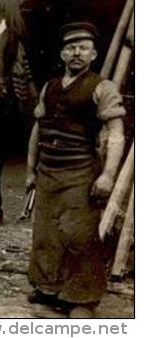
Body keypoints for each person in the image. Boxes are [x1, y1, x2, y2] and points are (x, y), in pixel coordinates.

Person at [26, 22, 126, 318]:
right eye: (71, 48)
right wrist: (31, 171)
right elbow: (37, 130)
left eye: (83, 48)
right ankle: (48, 288)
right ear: (62, 53)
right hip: (48, 173)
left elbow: (117, 134)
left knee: (78, 235)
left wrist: (108, 175)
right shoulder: (50, 86)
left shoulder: (102, 88)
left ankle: (81, 299)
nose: (76, 53)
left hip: (80, 172)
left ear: (94, 54)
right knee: (46, 233)